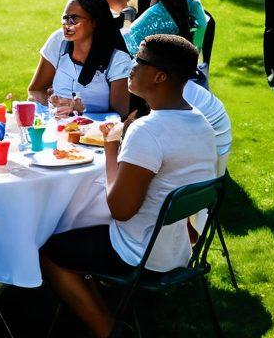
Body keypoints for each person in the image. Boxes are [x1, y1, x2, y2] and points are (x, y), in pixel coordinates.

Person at [40, 35, 216, 338]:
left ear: (160, 76)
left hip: (140, 252)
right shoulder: (200, 122)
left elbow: (120, 210)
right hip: (176, 247)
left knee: (49, 247)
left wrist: (112, 146)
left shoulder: (149, 131)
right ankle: (102, 308)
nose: (131, 67)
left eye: (140, 61)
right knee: (81, 235)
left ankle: (107, 329)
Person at [29, 0, 132, 117]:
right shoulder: (58, 41)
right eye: (65, 18)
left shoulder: (118, 60)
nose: (67, 25)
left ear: (94, 22)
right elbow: (36, 90)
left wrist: (79, 113)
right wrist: (52, 106)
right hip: (56, 126)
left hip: (94, 133)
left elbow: (119, 115)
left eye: (74, 19)